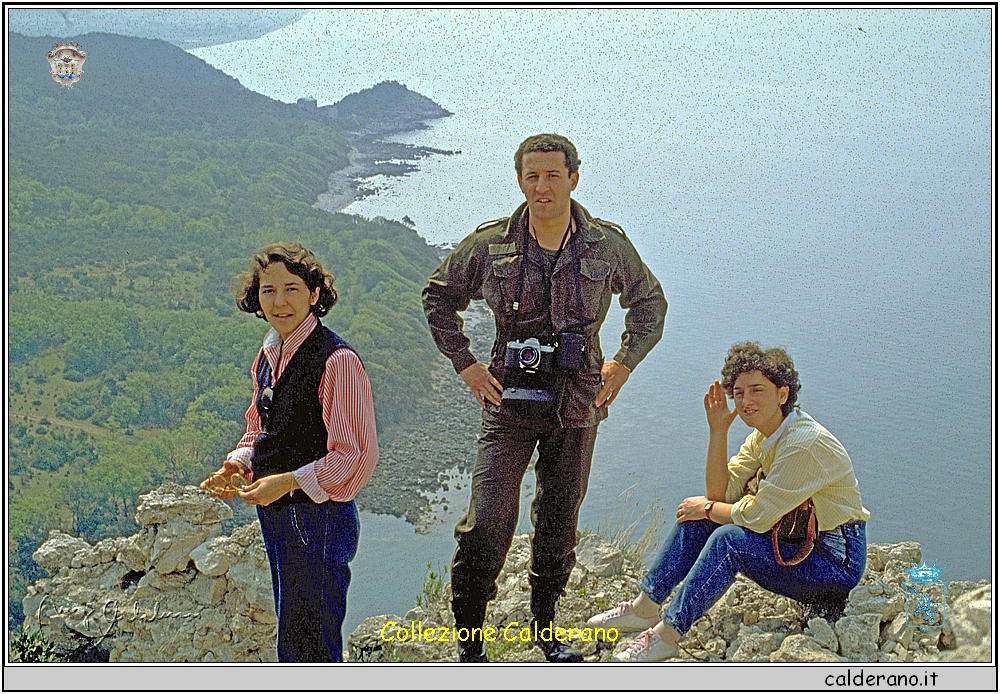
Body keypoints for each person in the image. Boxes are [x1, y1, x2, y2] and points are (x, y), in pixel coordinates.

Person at [422, 134, 667, 662]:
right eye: (532, 176)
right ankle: (470, 647)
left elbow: (649, 304)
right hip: (510, 401)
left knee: (558, 522)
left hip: (577, 404)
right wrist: (465, 363)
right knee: (487, 522)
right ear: (520, 181)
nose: (542, 186)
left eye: (553, 175)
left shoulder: (606, 246)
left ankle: (546, 630)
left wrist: (622, 364)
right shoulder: (492, 245)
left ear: (574, 178)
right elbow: (438, 295)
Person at [587, 342, 869, 662]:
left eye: (757, 390)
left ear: (782, 394)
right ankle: (644, 609)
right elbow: (721, 496)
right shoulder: (765, 435)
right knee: (702, 518)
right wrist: (718, 430)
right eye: (739, 392)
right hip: (798, 545)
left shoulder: (803, 443)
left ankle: (667, 636)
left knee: (728, 539)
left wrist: (706, 508)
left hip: (834, 566)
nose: (746, 401)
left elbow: (755, 518)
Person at [200, 242, 378, 662]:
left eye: (291, 289)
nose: (279, 302)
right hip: (280, 515)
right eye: (268, 291)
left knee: (310, 644)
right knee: (294, 634)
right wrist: (239, 462)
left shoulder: (337, 361)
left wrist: (288, 482)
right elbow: (261, 426)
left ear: (314, 293)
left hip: (319, 519)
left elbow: (355, 457)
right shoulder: (270, 351)